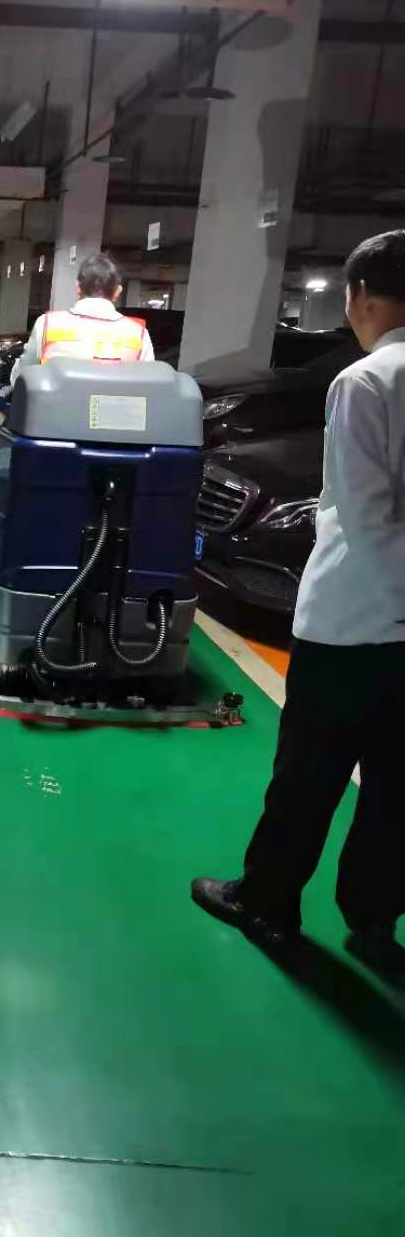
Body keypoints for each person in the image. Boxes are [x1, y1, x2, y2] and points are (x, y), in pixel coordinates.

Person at [192, 229, 405, 967]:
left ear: (360, 297)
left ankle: (268, 902)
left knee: (308, 776)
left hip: (353, 624)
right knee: (396, 785)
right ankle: (374, 917)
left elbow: (365, 514)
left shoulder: (365, 382)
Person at [9, 252, 153, 389]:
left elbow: (20, 379)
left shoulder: (47, 324)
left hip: (58, 407)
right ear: (117, 292)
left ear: (78, 287)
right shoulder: (139, 334)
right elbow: (149, 387)